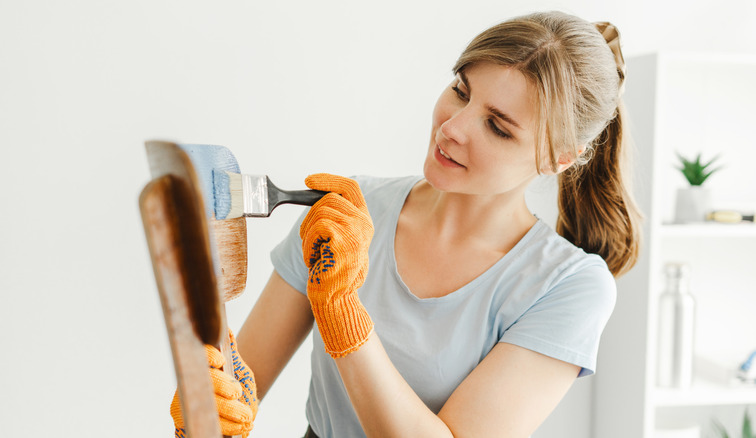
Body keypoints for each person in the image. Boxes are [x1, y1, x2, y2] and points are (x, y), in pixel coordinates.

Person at [171, 10, 641, 438]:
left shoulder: (567, 286)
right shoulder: (346, 213)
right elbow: (237, 388)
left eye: (498, 126)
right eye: (461, 89)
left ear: (561, 157)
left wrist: (341, 311)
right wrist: (204, 416)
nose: (452, 128)